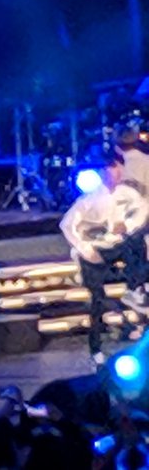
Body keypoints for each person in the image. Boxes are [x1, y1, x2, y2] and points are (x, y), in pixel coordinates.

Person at [59, 151, 149, 365]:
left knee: (135, 244)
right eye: (108, 170)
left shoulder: (127, 193)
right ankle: (96, 347)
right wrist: (84, 248)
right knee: (97, 300)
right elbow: (66, 224)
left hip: (117, 245)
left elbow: (143, 210)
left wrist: (127, 225)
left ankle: (135, 290)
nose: (113, 174)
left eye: (116, 169)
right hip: (95, 249)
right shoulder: (89, 199)